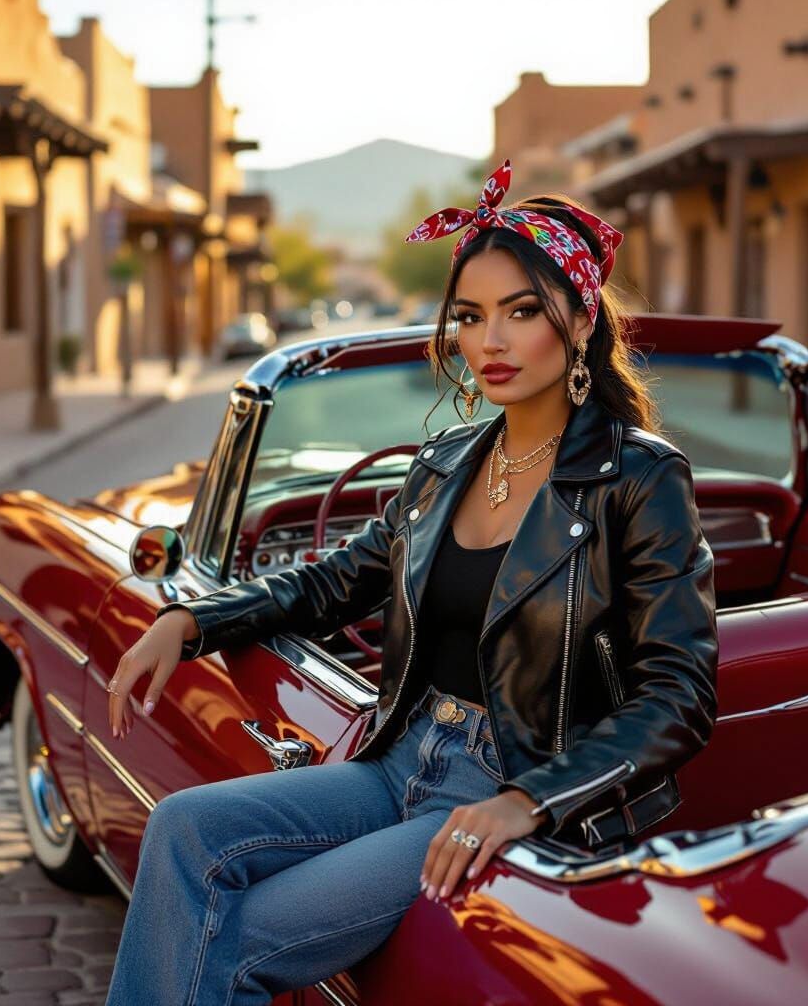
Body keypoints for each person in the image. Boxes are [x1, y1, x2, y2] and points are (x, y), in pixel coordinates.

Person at [103, 158, 719, 1005]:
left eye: (522, 312)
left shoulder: (640, 478)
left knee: (236, 941)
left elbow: (679, 691)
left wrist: (527, 801)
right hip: (401, 761)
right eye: (470, 316)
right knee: (179, 829)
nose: (490, 343)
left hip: (507, 779)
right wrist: (196, 620)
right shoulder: (448, 463)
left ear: (579, 321)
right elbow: (339, 579)